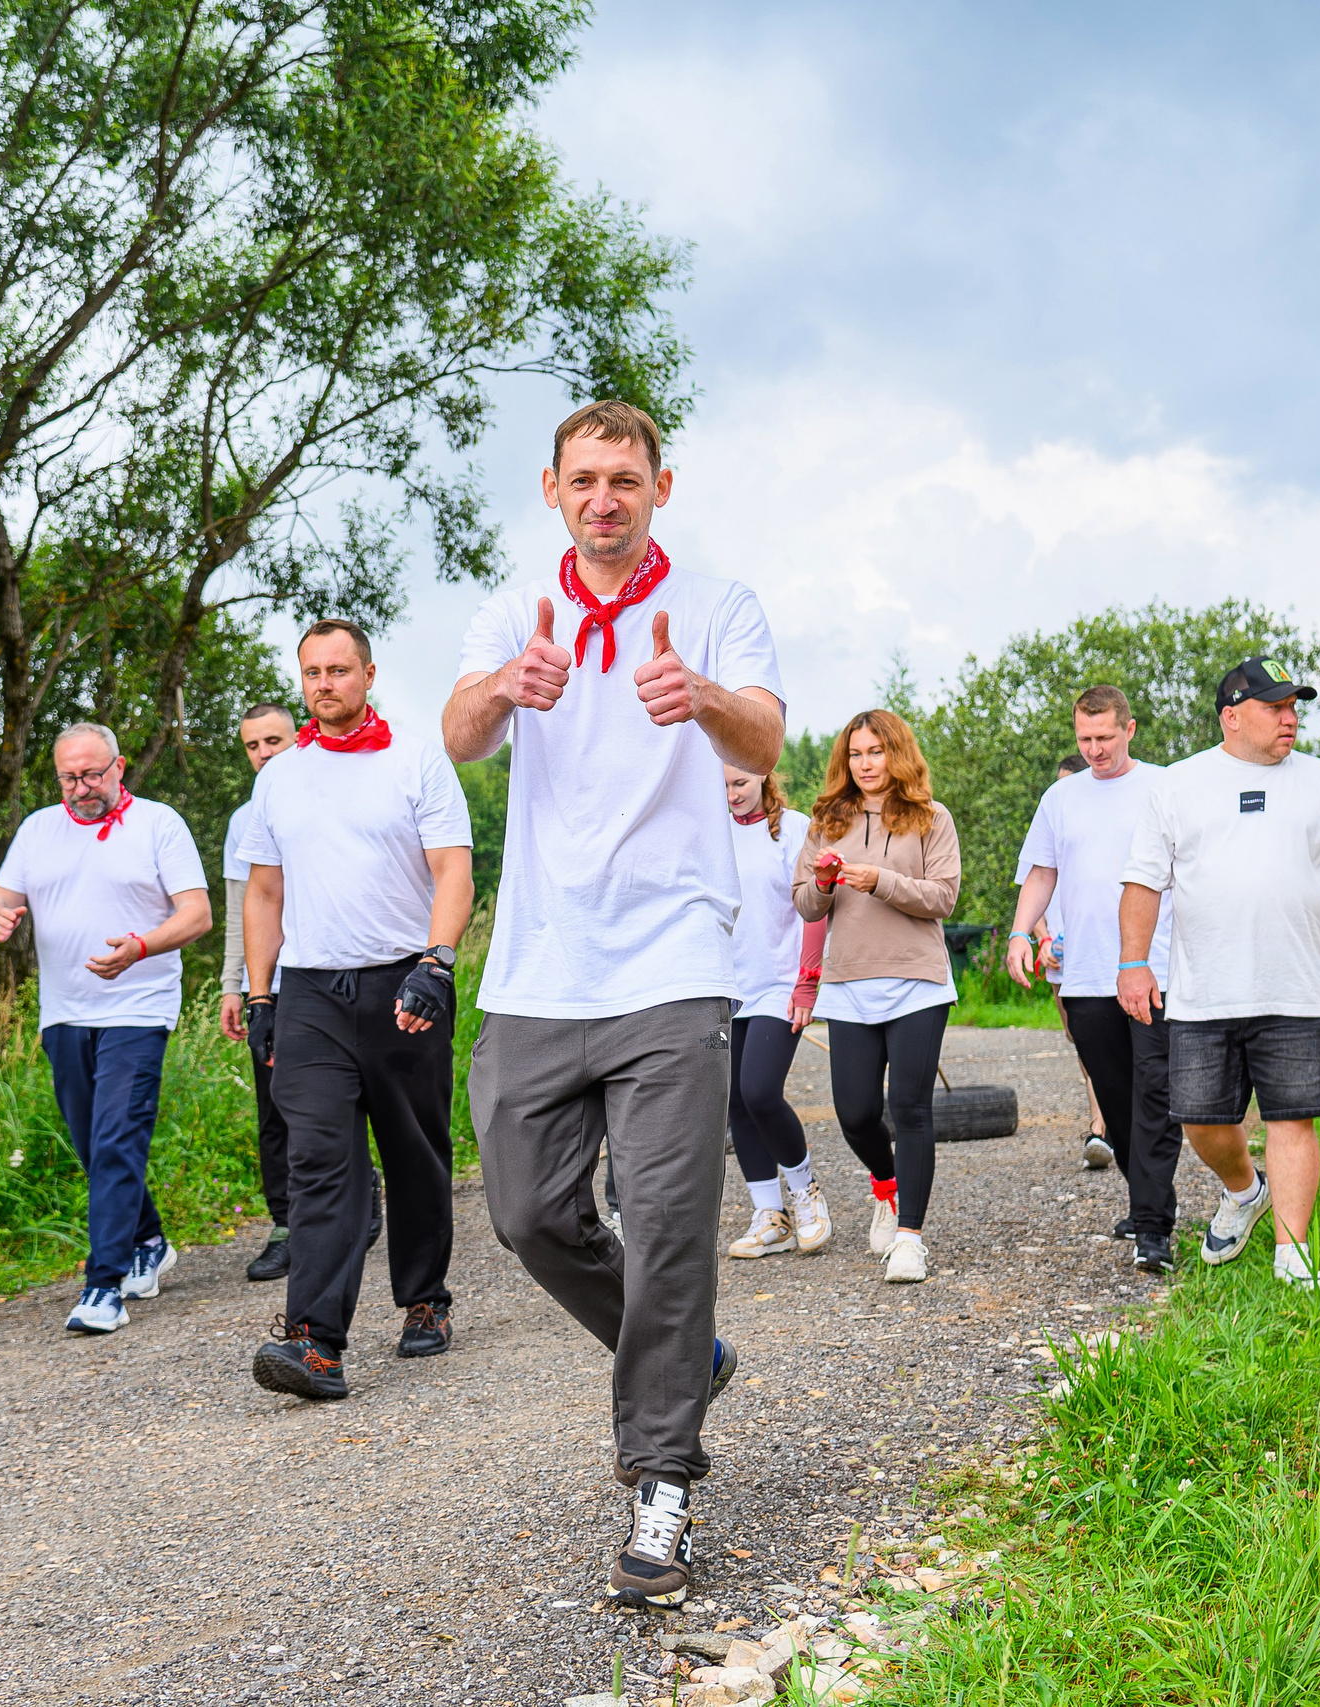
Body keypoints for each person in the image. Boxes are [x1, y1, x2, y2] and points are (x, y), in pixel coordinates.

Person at [444, 398, 783, 1610]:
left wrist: (696, 695)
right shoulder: (512, 603)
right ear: (553, 490)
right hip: (540, 966)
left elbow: (767, 734)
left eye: (624, 480)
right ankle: (686, 1357)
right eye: (583, 480)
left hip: (674, 960)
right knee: (527, 1214)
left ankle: (661, 1481)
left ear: (660, 488)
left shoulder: (716, 604)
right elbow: (459, 733)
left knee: (670, 1216)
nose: (604, 498)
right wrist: (504, 686)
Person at [1116, 657, 1320, 1292]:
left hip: (1295, 990)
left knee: (1292, 1119)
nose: (1289, 718)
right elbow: (1142, 882)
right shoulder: (1178, 786)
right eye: (1276, 707)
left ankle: (1294, 1260)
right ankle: (1244, 1190)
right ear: (1232, 717)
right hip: (1202, 992)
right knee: (1201, 1123)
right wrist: (1133, 964)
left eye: (1294, 706)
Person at [238, 619, 473, 1399]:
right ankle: (315, 1340)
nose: (325, 683)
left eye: (339, 669)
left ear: (369, 674)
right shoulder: (279, 776)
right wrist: (259, 991)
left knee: (413, 1150)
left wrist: (436, 963)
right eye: (312, 672)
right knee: (318, 1160)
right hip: (309, 992)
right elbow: (265, 892)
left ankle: (424, 1298)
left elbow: (451, 872)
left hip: (402, 983)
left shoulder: (414, 760)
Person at [0, 723, 210, 1334]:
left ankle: (103, 1286)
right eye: (69, 778)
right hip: (66, 1011)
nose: (82, 788)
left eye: (92, 774)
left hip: (138, 1005)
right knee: (92, 1142)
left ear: (119, 767)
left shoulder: (159, 824)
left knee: (115, 1138)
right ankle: (150, 1240)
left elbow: (197, 914)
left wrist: (140, 946)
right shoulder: (37, 830)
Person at [1008, 686, 1184, 1274]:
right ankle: (1145, 1198)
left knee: (1154, 1094)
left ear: (1130, 730)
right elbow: (1041, 873)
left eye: (1105, 738)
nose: (1095, 750)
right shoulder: (1061, 798)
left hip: (1154, 968)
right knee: (1114, 1097)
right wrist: (1018, 932)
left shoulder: (1164, 787)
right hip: (1085, 977)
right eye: (1085, 739)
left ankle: (1154, 1228)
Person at [793, 709, 962, 1286]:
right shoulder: (826, 819)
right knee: (856, 1111)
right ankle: (886, 1189)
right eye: (857, 754)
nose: (867, 764)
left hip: (917, 980)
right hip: (847, 983)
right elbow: (805, 904)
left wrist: (878, 881)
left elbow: (943, 897)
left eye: (877, 752)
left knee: (911, 1108)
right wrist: (821, 883)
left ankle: (911, 1239)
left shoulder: (931, 819)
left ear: (898, 755)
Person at [723, 761, 831, 1260]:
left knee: (760, 1091)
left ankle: (806, 1195)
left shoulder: (794, 829)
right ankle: (770, 1215)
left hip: (779, 983)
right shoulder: (711, 828)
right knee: (734, 1102)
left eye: (740, 783)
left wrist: (807, 984)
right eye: (722, 786)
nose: (732, 795)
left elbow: (814, 907)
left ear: (764, 777)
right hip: (725, 985)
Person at [219, 701, 300, 1281]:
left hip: (325, 973)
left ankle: (358, 1191)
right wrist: (236, 985)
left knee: (339, 1102)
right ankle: (286, 1225)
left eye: (273, 740)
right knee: (273, 1110)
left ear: (297, 737)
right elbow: (237, 909)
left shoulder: (323, 795)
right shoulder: (242, 821)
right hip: (265, 985)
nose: (264, 753)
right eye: (253, 745)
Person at [1031, 750, 1109, 1166]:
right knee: (1081, 1042)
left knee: (1111, 1043)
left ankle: (1103, 1127)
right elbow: (1035, 889)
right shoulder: (1051, 827)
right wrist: (1041, 939)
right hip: (1062, 959)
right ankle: (1101, 1120)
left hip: (1107, 956)